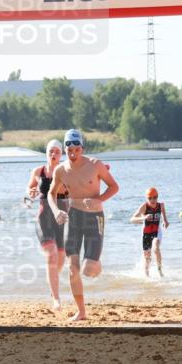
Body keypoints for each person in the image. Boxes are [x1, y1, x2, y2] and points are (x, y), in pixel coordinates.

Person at [48, 129, 119, 322]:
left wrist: (100, 200)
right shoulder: (61, 170)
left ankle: (96, 263)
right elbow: (51, 193)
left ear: (82, 148)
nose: (73, 153)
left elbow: (114, 187)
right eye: (69, 149)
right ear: (65, 149)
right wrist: (56, 211)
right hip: (74, 218)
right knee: (73, 268)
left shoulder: (95, 165)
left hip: (94, 218)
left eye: (77, 149)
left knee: (89, 270)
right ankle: (81, 311)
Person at [27, 139, 69, 310]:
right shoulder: (38, 171)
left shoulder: (67, 171)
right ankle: (56, 299)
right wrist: (31, 192)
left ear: (61, 154)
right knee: (51, 255)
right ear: (46, 153)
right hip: (44, 217)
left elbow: (76, 189)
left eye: (57, 152)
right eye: (51, 151)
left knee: (61, 257)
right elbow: (29, 189)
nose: (53, 154)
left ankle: (53, 285)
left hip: (62, 218)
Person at [130, 187, 168, 276]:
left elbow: (163, 214)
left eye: (155, 197)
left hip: (156, 231)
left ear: (157, 197)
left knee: (155, 247)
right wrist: (144, 217)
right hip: (146, 233)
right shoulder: (144, 206)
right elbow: (132, 219)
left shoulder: (161, 205)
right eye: (150, 198)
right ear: (147, 198)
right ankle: (147, 276)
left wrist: (165, 221)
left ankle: (160, 271)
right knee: (147, 258)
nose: (152, 200)